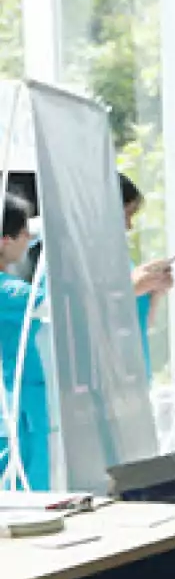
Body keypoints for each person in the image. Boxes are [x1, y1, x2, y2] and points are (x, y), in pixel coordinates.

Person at [1, 194, 50, 490]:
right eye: (23, 235)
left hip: (18, 410)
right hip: (16, 413)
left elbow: (35, 234)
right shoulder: (9, 293)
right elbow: (52, 302)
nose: (29, 239)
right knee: (25, 493)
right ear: (5, 240)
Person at [122, 174, 174, 378]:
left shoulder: (123, 262)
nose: (129, 226)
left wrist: (155, 292)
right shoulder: (73, 261)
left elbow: (144, 323)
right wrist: (131, 288)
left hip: (135, 374)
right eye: (125, 215)